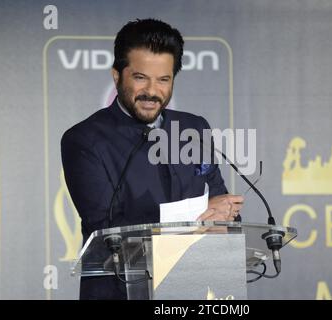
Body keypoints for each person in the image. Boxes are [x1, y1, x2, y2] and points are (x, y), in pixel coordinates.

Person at [61, 18, 243, 300]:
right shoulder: (83, 140)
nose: (152, 91)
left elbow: (218, 203)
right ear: (116, 75)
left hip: (193, 292)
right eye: (140, 77)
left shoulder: (193, 129)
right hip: (121, 291)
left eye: (163, 79)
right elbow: (108, 231)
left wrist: (225, 214)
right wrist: (197, 218)